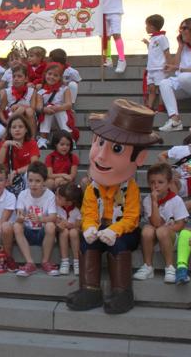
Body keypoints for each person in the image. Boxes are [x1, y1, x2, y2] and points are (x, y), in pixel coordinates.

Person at [67, 99, 161, 315]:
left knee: (118, 244)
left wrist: (113, 231)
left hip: (123, 231)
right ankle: (90, 289)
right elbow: (88, 211)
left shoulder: (131, 189)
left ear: (141, 157)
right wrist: (90, 228)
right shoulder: (92, 187)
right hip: (101, 227)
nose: (101, 156)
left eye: (116, 148)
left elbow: (131, 219)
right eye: (99, 143)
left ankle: (122, 292)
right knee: (87, 242)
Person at [133, 163, 189, 283]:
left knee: (162, 231)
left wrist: (167, 230)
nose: (156, 185)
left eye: (160, 182)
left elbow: (180, 224)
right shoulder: (148, 200)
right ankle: (148, 266)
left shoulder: (176, 200)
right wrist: (154, 202)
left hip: (172, 238)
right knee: (147, 230)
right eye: (152, 182)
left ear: (169, 184)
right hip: (155, 237)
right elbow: (155, 223)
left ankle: (170, 267)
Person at [12, 162, 60, 277]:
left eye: (38, 181)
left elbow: (53, 217)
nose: (33, 184)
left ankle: (45, 261)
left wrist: (40, 219)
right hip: (28, 231)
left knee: (50, 225)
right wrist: (21, 218)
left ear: (44, 181)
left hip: (42, 232)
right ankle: (30, 263)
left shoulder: (49, 195)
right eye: (30, 180)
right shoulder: (23, 194)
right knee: (16, 226)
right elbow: (19, 216)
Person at [99, 0, 128, 74]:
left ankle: (122, 59)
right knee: (105, 37)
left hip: (115, 11)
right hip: (103, 11)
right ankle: (108, 58)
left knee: (116, 34)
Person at [36, 63, 74, 149]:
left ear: (60, 77)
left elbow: (69, 105)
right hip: (47, 118)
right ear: (45, 74)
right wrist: (44, 109)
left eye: (55, 75)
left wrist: (57, 108)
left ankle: (69, 138)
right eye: (49, 74)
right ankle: (43, 139)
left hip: (61, 117)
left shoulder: (64, 88)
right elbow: (38, 107)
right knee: (49, 108)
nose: (52, 77)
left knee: (59, 110)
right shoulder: (41, 90)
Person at [142, 14, 171, 110]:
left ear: (152, 26)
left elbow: (166, 51)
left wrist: (167, 64)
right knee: (151, 88)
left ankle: (161, 106)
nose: (146, 27)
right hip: (151, 68)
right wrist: (147, 44)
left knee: (162, 88)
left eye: (147, 25)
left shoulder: (162, 38)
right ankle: (150, 107)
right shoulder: (153, 39)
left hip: (159, 68)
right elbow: (153, 50)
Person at [55, 183, 83, 276]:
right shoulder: (56, 207)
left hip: (74, 231)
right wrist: (59, 223)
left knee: (73, 232)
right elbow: (55, 220)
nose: (56, 198)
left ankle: (77, 262)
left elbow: (79, 225)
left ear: (69, 202)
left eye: (59, 198)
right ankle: (65, 261)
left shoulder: (76, 210)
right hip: (61, 232)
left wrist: (72, 225)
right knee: (64, 232)